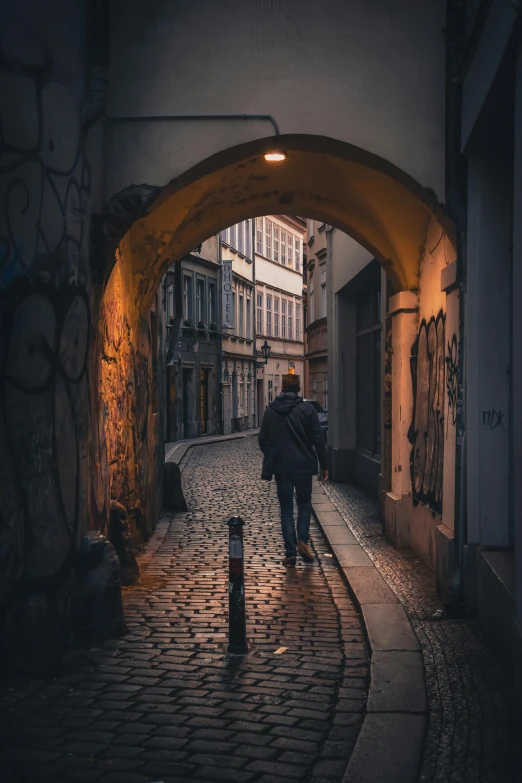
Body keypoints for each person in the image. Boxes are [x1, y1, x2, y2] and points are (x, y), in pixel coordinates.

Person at [258, 373, 328, 567]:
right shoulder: (307, 410)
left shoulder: (271, 411)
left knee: (286, 510)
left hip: (282, 468)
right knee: (304, 505)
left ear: (281, 388)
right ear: (299, 389)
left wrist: (273, 454)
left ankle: (290, 553)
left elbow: (262, 439)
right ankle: (302, 541)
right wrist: (325, 465)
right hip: (304, 467)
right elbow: (318, 440)